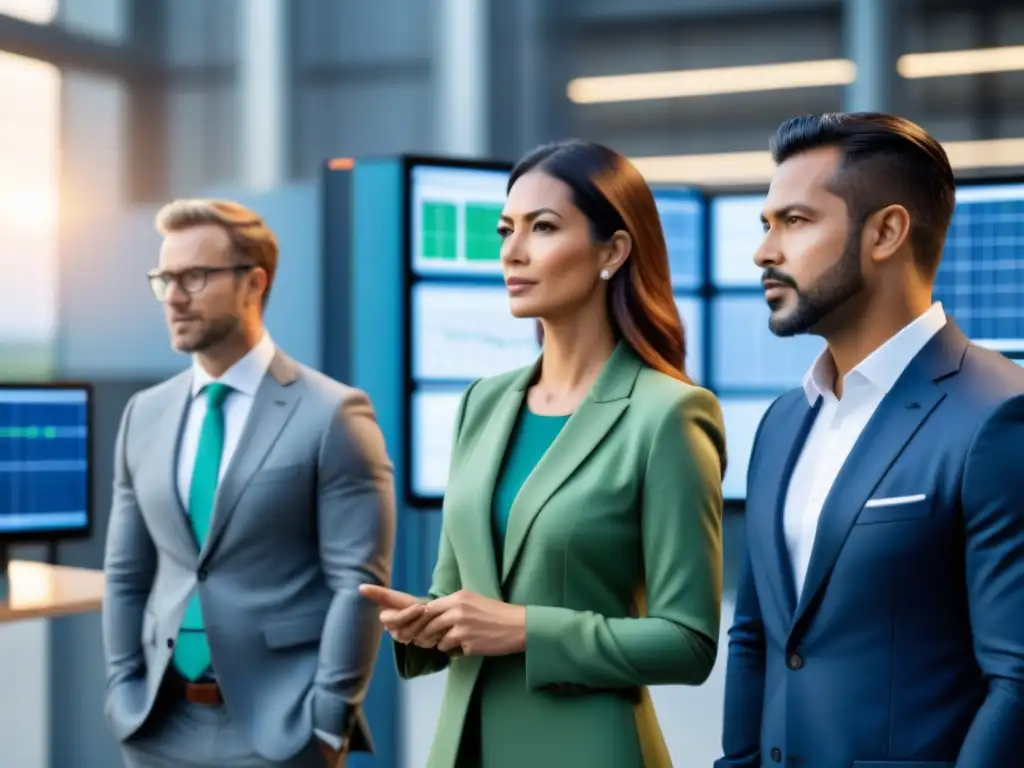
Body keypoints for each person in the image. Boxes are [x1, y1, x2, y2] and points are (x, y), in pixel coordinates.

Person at [361, 139, 726, 768]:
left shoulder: (668, 414)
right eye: (507, 229)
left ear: (613, 250)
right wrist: (424, 620)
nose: (512, 251)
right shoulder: (483, 404)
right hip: (462, 747)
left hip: (587, 749)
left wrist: (527, 629)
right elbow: (460, 592)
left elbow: (688, 642)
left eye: (544, 228)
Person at [716, 113, 1024, 768]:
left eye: (794, 222)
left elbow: (1019, 682)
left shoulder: (999, 416)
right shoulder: (782, 423)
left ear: (885, 231)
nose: (764, 252)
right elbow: (756, 641)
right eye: (765, 225)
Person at [102, 199, 396, 768]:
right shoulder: (144, 414)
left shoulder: (333, 415)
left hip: (280, 731)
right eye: (164, 279)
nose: (174, 297)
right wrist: (122, 690)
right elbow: (125, 573)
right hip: (157, 726)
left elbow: (355, 585)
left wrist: (328, 721)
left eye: (194, 277)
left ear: (252, 284)